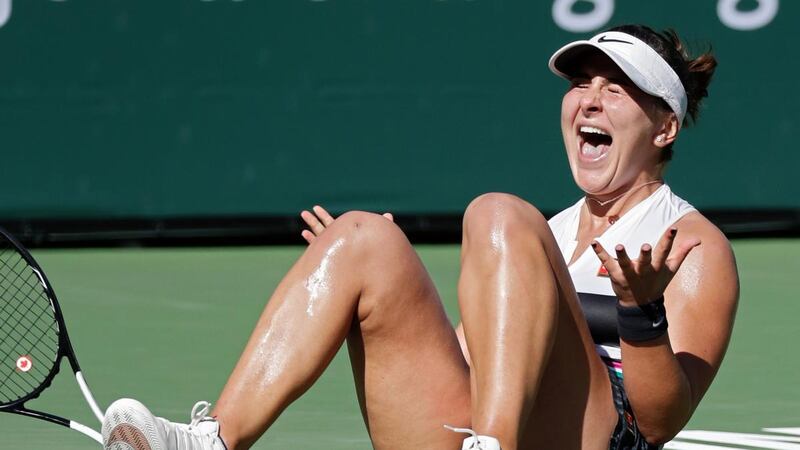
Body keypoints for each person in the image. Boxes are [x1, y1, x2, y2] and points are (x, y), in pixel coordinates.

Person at [101, 24, 738, 450]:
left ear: (664, 128)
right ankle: (214, 442)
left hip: (599, 436)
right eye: (581, 85)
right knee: (362, 239)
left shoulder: (693, 244)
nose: (588, 102)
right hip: (489, 422)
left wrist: (639, 310)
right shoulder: (549, 233)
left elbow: (658, 423)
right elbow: (471, 361)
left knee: (495, 211)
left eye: (616, 89)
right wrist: (388, 286)